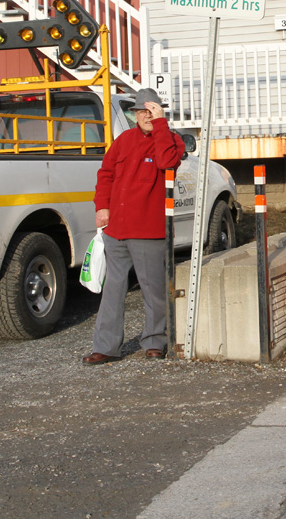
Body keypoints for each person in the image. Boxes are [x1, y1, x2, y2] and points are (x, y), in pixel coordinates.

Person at [82, 88, 185, 365]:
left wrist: (161, 125)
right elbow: (105, 174)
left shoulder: (172, 141)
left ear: (160, 113)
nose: (146, 116)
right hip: (116, 229)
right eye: (141, 112)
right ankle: (105, 347)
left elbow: (167, 162)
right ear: (135, 115)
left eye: (152, 111)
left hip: (149, 231)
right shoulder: (124, 140)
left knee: (153, 291)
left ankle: (155, 342)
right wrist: (101, 207)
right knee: (112, 291)